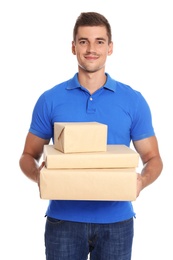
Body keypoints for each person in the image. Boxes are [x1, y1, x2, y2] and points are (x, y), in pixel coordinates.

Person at [19, 11, 163, 260]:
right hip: (63, 222)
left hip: (117, 222)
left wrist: (142, 181)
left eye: (99, 41)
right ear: (73, 47)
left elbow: (153, 158)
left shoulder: (133, 100)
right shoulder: (50, 99)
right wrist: (38, 176)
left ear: (110, 48)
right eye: (83, 41)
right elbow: (27, 155)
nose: (91, 49)